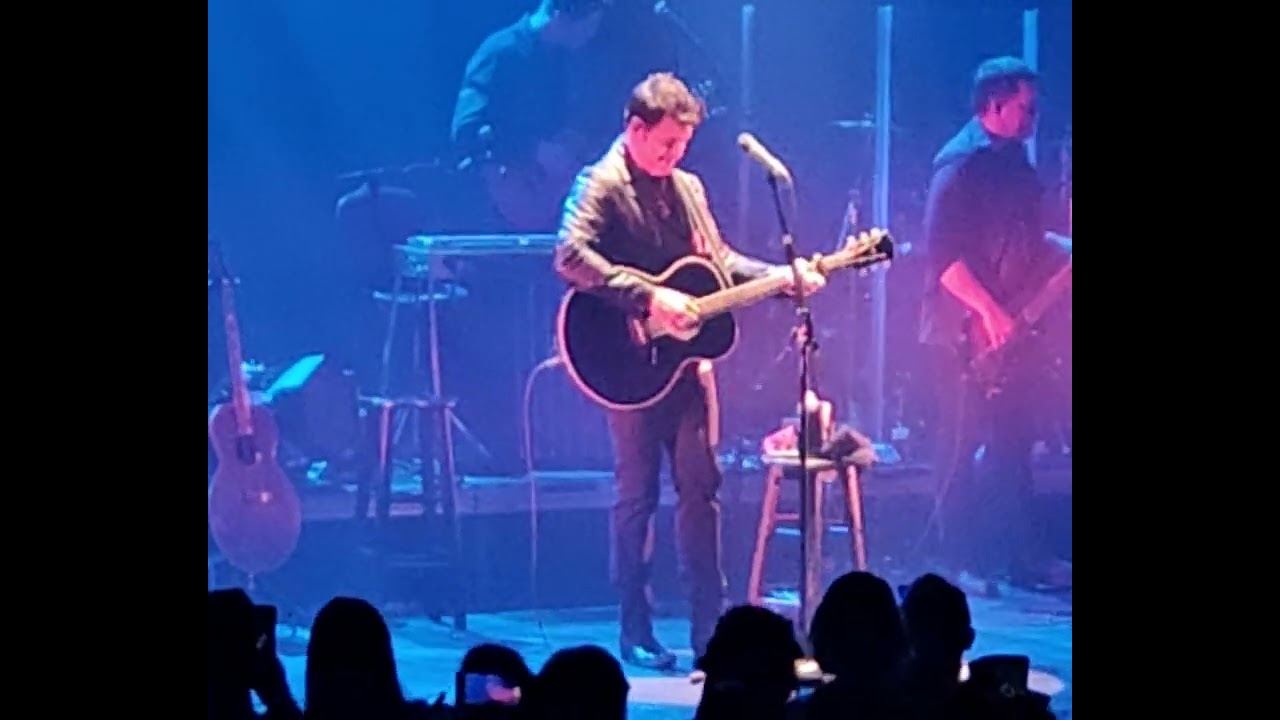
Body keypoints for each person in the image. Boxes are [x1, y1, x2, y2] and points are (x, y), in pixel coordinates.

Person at [554, 71, 827, 668]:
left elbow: (720, 262)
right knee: (637, 496)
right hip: (624, 363)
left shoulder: (688, 188)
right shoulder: (599, 183)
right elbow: (570, 255)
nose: (674, 156)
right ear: (634, 128)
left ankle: (711, 635)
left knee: (703, 491)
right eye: (665, 145)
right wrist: (650, 299)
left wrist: (784, 280)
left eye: (682, 146)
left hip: (686, 368)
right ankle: (636, 628)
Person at [919, 56, 1071, 597]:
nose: (1033, 118)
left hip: (1011, 329)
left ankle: (1022, 557)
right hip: (961, 331)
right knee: (958, 448)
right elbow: (943, 258)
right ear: (994, 105)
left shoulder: (1018, 165)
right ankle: (955, 562)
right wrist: (989, 311)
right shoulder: (958, 165)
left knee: (1013, 444)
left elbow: (1032, 240)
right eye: (1026, 108)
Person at [450, 0, 609, 232]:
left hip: (541, 204)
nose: (591, 34)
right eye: (589, 24)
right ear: (560, 15)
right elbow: (465, 131)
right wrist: (535, 150)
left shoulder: (559, 61)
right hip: (492, 210)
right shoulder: (500, 52)